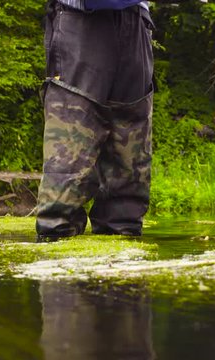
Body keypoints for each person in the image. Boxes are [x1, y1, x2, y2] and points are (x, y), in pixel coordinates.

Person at [36, 0, 155, 241]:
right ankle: (56, 262)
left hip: (136, 22)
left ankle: (124, 262)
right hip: (80, 18)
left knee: (128, 185)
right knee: (64, 184)